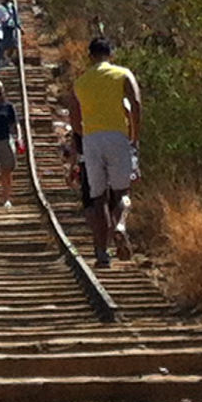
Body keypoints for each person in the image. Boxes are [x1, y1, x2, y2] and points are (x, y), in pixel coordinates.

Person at [65, 35, 142, 267]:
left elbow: (74, 119)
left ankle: (101, 252)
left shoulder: (80, 82)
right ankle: (119, 225)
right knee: (122, 193)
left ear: (90, 56)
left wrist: (84, 138)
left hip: (91, 140)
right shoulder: (123, 74)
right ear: (111, 54)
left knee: (98, 198)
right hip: (117, 136)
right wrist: (135, 136)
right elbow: (136, 103)